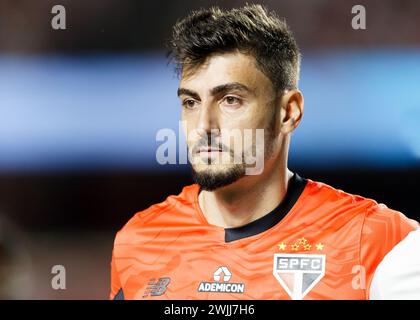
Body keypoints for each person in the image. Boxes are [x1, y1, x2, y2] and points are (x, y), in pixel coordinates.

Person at [110, 4, 419, 300]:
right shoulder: (140, 240)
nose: (204, 125)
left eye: (230, 100)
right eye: (191, 102)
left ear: (289, 112)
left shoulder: (380, 243)